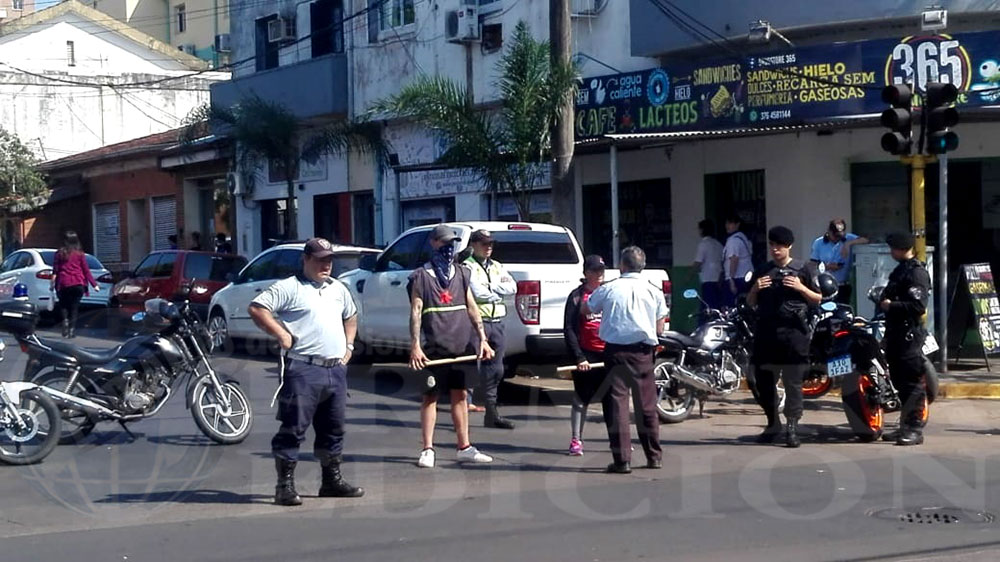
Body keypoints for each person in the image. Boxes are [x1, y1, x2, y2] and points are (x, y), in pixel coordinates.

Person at [248, 237, 364, 506]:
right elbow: (257, 308)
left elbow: (351, 316)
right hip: (303, 368)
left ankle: (331, 480)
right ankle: (284, 486)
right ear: (306, 259)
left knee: (334, 429)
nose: (326, 265)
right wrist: (280, 333)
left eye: (329, 260)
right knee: (293, 427)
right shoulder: (290, 287)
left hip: (334, 369)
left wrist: (348, 346)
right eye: (320, 260)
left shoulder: (338, 288)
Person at [408, 224, 495, 468]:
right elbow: (415, 311)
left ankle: (464, 446)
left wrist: (483, 339)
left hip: (462, 344)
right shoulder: (421, 276)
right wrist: (415, 345)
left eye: (452, 243)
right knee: (430, 397)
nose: (448, 247)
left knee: (460, 396)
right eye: (444, 242)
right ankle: (427, 449)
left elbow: (472, 307)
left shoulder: (461, 273)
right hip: (434, 346)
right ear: (434, 243)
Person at [583, 246, 668, 473]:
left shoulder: (609, 288)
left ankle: (622, 460)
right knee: (647, 405)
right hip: (643, 351)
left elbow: (587, 307)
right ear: (643, 266)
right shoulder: (654, 290)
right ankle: (654, 456)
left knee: (617, 405)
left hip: (616, 351)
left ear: (622, 265)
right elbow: (660, 325)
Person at [747, 226, 822, 448]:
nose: (775, 249)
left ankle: (792, 428)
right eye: (771, 245)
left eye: (779, 245)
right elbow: (750, 303)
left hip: (794, 334)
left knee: (793, 383)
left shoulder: (804, 269)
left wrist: (801, 288)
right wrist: (755, 289)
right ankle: (773, 424)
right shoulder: (763, 270)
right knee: (763, 382)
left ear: (789, 246)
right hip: (767, 334)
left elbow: (817, 298)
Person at [879, 232, 933, 446]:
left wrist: (891, 306)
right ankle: (904, 425)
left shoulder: (916, 273)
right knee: (900, 382)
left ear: (902, 248)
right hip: (896, 334)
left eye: (893, 248)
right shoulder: (901, 270)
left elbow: (918, 307)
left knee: (912, 383)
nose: (891, 252)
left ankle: (915, 429)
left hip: (909, 335)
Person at [462, 229, 517, 430]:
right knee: (471, 367)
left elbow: (513, 288)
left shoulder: (497, 266)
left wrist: (491, 288)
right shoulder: (467, 267)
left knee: (496, 368)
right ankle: (463, 408)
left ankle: (492, 413)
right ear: (474, 244)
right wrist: (496, 290)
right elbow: (477, 293)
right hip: (477, 321)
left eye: (491, 244)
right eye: (484, 244)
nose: (489, 247)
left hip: (498, 321)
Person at [563, 255, 609, 456]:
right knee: (582, 398)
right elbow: (569, 328)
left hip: (608, 353)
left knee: (612, 399)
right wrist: (579, 357)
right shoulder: (576, 296)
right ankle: (576, 440)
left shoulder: (609, 293)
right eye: (594, 271)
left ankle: (618, 440)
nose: (599, 274)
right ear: (586, 273)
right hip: (586, 353)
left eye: (601, 270)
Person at [50, 231, 100, 339]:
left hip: (63, 283)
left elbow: (55, 271)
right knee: (74, 307)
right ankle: (72, 330)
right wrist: (94, 285)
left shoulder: (59, 253)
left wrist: (52, 283)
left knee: (63, 305)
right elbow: (86, 270)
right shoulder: (80, 254)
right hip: (78, 283)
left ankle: (65, 321)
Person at [810, 219, 869, 305]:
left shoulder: (848, 238)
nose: (837, 239)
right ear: (829, 232)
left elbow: (866, 240)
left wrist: (848, 244)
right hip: (825, 286)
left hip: (843, 286)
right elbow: (812, 264)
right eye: (835, 236)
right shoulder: (819, 243)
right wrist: (826, 266)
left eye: (839, 237)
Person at [723, 214, 754, 308]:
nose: (727, 226)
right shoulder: (744, 239)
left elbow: (734, 259)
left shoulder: (734, 241)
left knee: (733, 306)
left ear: (737, 225)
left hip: (737, 278)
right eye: (727, 223)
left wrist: (731, 280)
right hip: (746, 276)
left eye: (731, 223)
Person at [694, 219, 725, 310]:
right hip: (719, 280)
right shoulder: (719, 245)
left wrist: (688, 276)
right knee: (716, 307)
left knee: (707, 308)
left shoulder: (703, 244)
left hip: (707, 280)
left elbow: (698, 262)